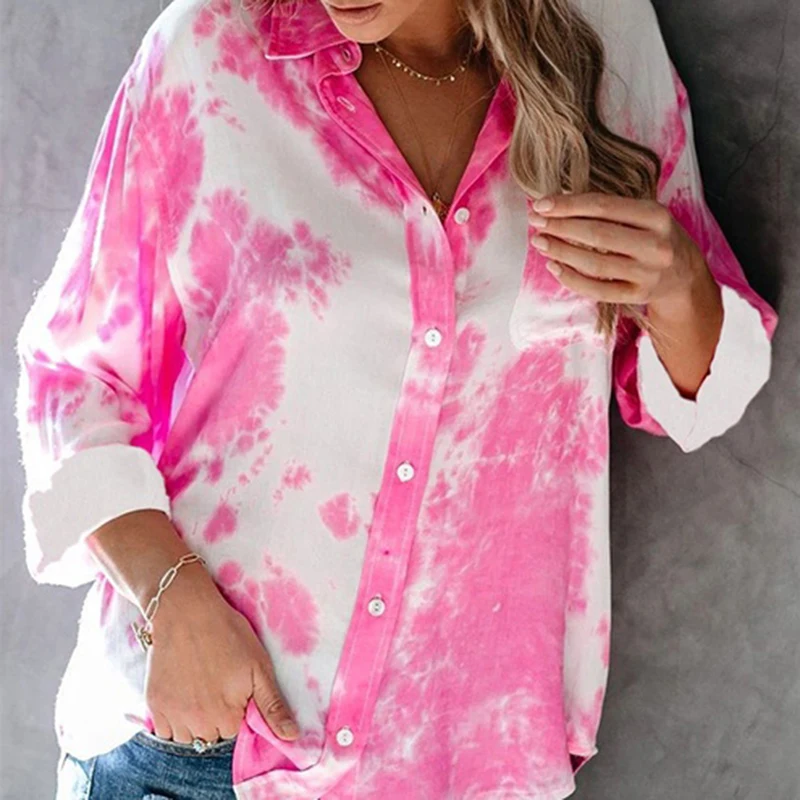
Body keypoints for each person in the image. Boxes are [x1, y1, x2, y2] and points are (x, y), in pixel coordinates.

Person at [15, 0, 779, 798]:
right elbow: (72, 371)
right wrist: (171, 598)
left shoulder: (601, 41)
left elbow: (702, 390)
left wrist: (679, 282)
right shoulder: (211, 46)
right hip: (208, 749)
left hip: (466, 764)